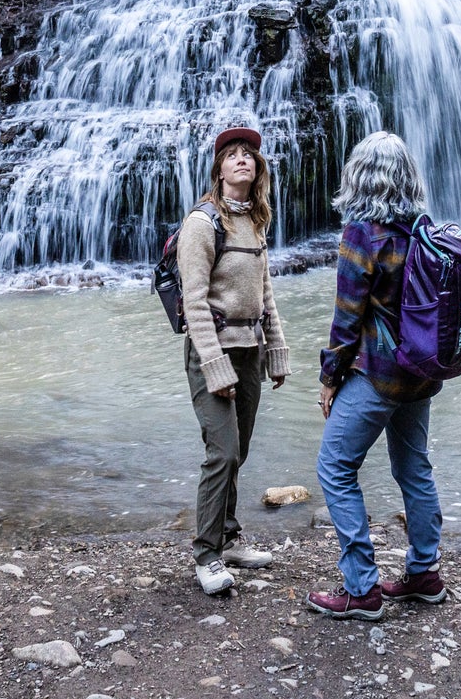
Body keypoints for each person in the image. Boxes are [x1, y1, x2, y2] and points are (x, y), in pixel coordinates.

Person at [307, 131, 447, 621]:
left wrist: (329, 377)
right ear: (406, 175)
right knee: (414, 467)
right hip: (419, 371)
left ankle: (361, 587)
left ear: (358, 175)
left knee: (334, 467)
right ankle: (423, 573)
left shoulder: (363, 234)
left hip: (377, 372)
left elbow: (348, 317)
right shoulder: (423, 231)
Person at [179, 124, 290, 595]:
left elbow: (265, 292)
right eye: (233, 155)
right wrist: (215, 365)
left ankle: (229, 538)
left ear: (257, 169)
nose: (243, 160)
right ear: (220, 168)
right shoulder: (202, 224)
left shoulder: (256, 221)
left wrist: (277, 350)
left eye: (250, 155)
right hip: (214, 352)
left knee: (238, 451)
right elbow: (194, 301)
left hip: (250, 351)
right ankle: (206, 554)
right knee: (221, 452)